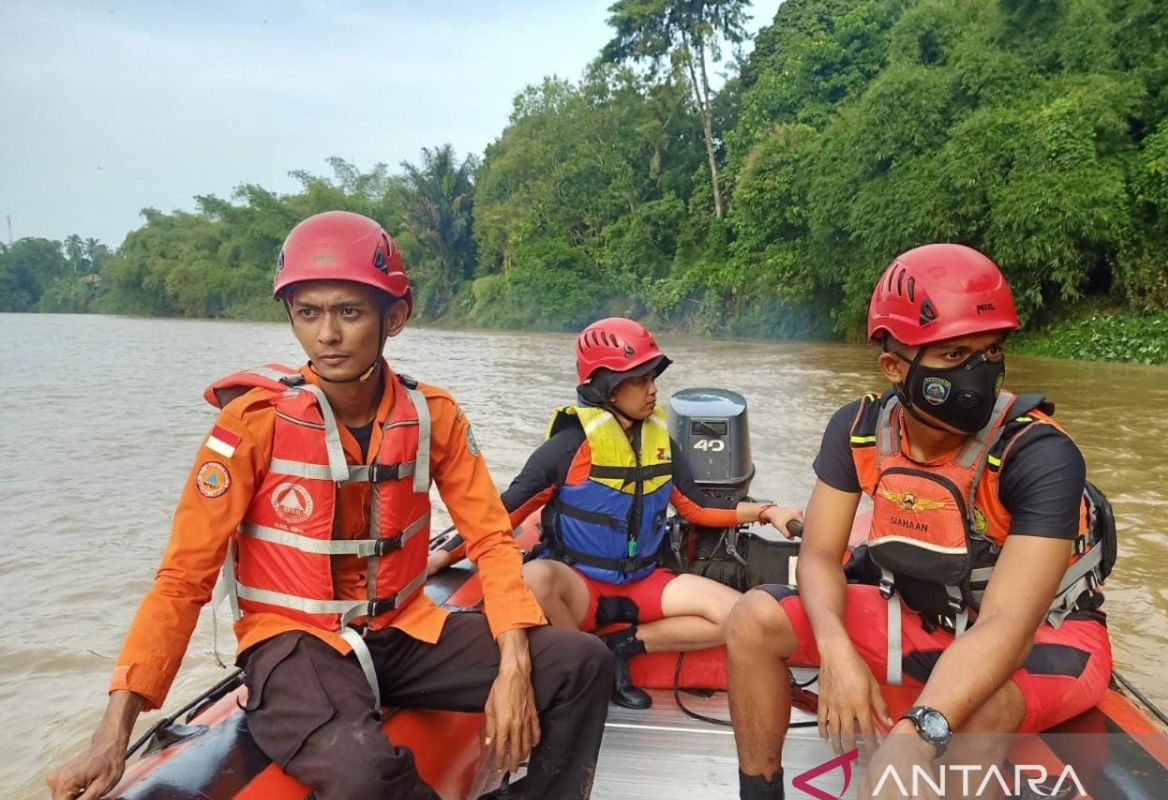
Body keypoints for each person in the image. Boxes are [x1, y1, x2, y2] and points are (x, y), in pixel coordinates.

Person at [46, 211, 612, 800]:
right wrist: (114, 730)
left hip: (402, 629)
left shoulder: (433, 415)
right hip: (293, 642)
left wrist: (514, 661)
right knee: (362, 772)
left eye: (349, 311)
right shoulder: (252, 424)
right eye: (308, 313)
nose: (327, 335)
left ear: (394, 316)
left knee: (583, 664)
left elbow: (494, 540)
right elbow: (182, 578)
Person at [725, 244, 1113, 799]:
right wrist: (835, 653)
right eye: (955, 356)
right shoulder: (858, 428)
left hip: (1048, 638)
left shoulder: (1039, 454)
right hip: (919, 617)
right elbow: (817, 555)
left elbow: (1008, 622)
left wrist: (919, 730)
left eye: (991, 351)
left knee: (980, 712)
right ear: (894, 367)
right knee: (752, 619)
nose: (979, 374)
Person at [498, 317, 803, 709]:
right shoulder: (568, 447)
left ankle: (619, 647)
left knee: (740, 616)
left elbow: (698, 507)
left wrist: (767, 512)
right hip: (580, 584)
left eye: (652, 377)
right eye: (640, 380)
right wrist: (442, 557)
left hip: (643, 580)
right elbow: (497, 515)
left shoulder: (660, 442)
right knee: (535, 576)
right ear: (606, 385)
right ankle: (584, 667)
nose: (653, 389)